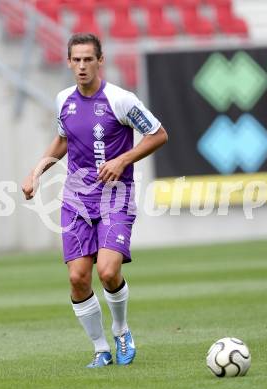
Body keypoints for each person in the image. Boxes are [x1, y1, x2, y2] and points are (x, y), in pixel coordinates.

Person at [22, 33, 168, 368]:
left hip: (116, 197)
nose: (83, 66)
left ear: (100, 61)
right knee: (77, 278)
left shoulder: (121, 100)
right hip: (76, 199)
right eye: (77, 60)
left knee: (107, 270)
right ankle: (101, 348)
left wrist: (123, 160)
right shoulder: (63, 100)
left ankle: (121, 329)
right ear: (69, 62)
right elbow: (63, 140)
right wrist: (36, 172)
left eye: (89, 59)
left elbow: (158, 134)